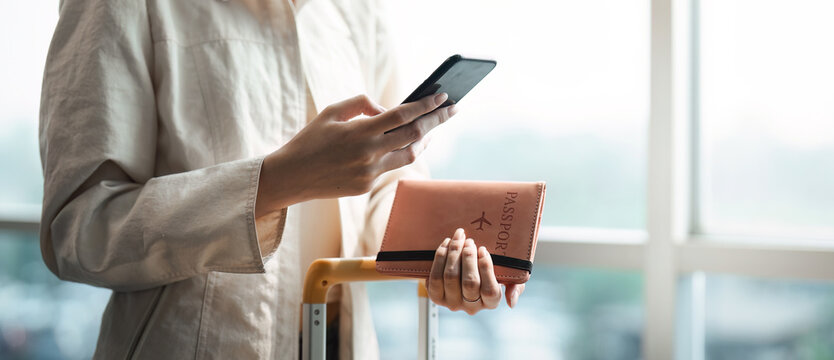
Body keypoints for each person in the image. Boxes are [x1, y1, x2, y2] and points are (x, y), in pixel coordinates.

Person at [38, 0, 525, 359]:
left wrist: (443, 259)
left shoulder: (356, 12)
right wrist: (275, 182)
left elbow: (387, 184)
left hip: (342, 345)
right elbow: (78, 229)